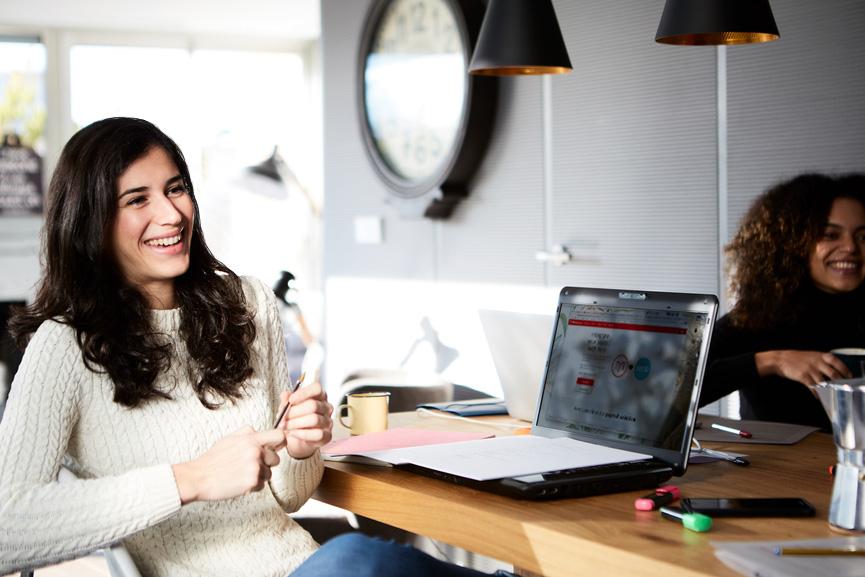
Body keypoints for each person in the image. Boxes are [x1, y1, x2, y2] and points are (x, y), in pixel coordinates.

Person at [0, 117, 511, 577]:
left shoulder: (247, 303)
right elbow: (7, 531)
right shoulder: (65, 345)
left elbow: (286, 497)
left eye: (176, 189)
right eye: (137, 200)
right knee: (357, 557)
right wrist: (191, 478)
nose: (171, 214)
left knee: (356, 558)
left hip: (301, 564)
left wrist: (301, 445)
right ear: (91, 223)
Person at [699, 173, 865, 429]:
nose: (851, 247)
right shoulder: (761, 315)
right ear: (792, 244)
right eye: (830, 235)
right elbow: (670, 391)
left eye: (863, 236)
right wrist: (772, 362)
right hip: (776, 468)